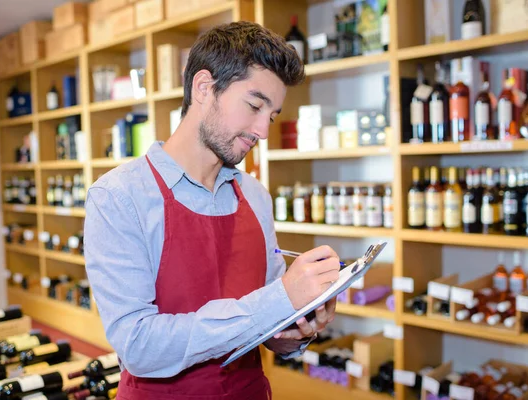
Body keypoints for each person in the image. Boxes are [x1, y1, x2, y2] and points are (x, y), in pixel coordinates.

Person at [84, 21, 341, 400]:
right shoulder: (118, 197)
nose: (263, 131)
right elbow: (138, 346)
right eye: (254, 105)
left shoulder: (255, 196)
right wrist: (275, 301)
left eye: (270, 115)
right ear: (204, 87)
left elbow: (270, 325)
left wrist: (295, 329)